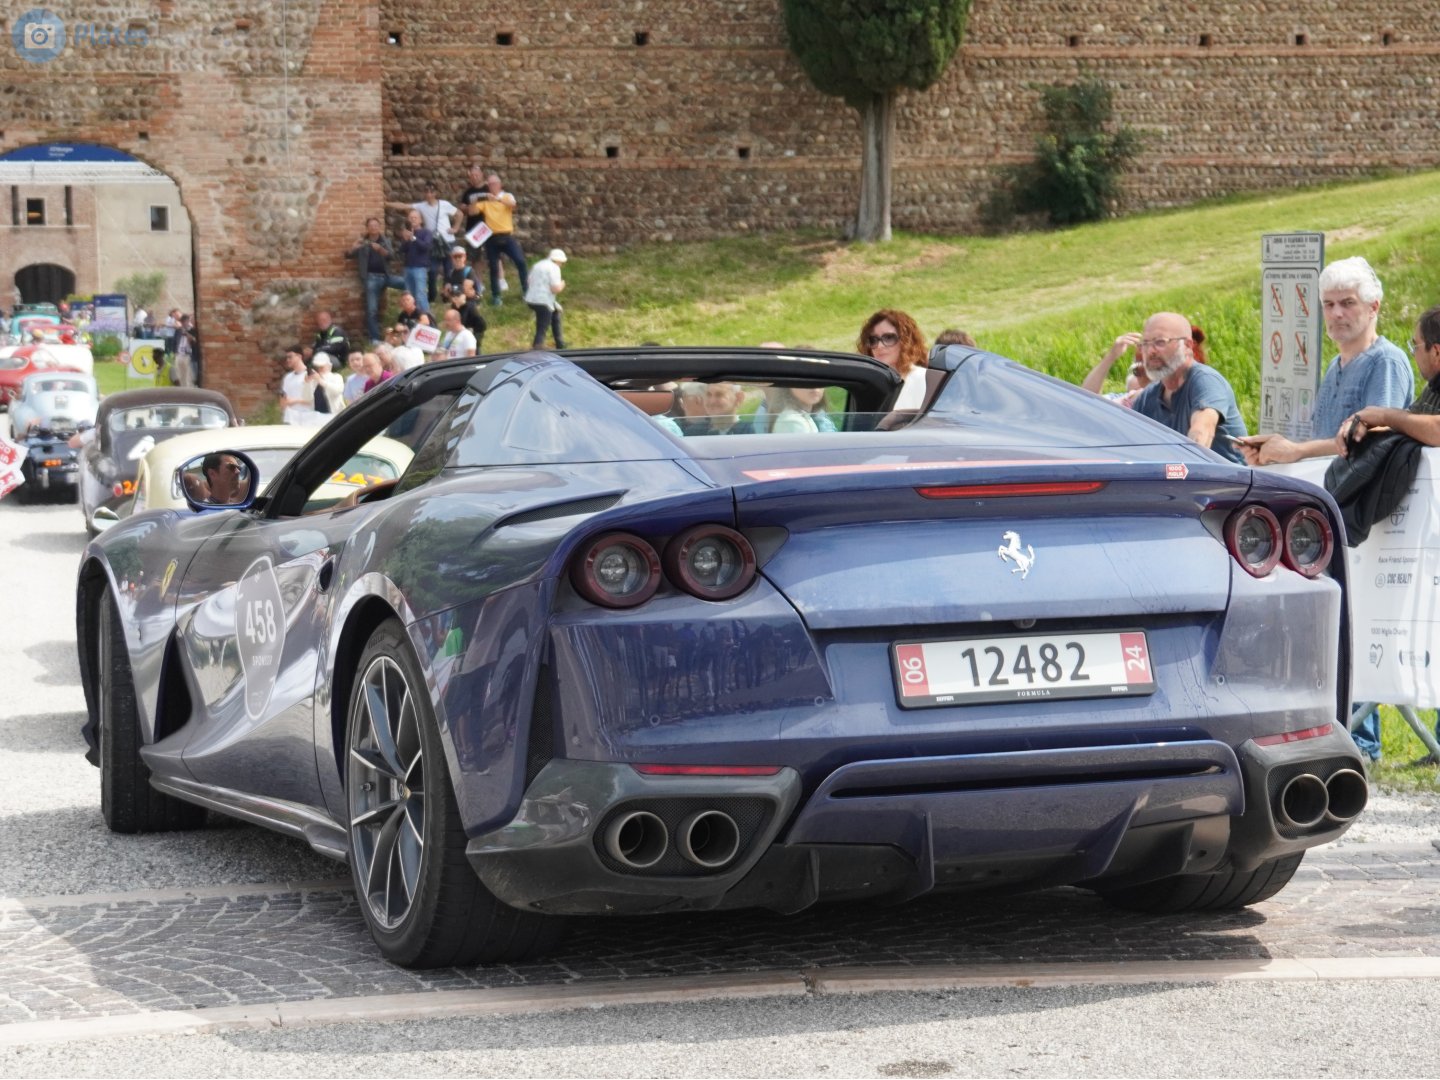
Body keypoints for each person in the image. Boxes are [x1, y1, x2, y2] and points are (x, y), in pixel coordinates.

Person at [1237, 256, 1414, 466]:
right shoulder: (1334, 365)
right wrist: (1274, 452)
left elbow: (1376, 442)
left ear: (1373, 308)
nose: (1336, 313)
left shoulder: (1385, 361)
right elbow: (1325, 441)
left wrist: (1296, 451)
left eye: (1347, 303)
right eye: (1328, 304)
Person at [1128, 312, 1248, 463]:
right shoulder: (1147, 398)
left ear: (1187, 345)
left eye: (1160, 342)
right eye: (1145, 343)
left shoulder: (1205, 381)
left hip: (1227, 483)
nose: (1150, 351)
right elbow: (1128, 445)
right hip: (1175, 484)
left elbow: (1202, 429)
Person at [387, 181, 460, 303]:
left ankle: (448, 296)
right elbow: (404, 206)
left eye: (431, 191)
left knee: (449, 270)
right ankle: (432, 296)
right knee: (432, 271)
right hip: (433, 242)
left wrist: (456, 228)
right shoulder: (421, 206)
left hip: (448, 241)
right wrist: (386, 203)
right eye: (426, 191)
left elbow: (459, 214)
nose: (429, 194)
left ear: (436, 193)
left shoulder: (444, 204)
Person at [346, 217, 405, 344]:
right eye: (371, 225)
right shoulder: (363, 242)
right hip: (371, 278)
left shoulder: (385, 240)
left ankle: (415, 312)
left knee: (408, 283)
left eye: (376, 225)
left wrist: (380, 250)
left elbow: (391, 256)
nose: (373, 227)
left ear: (379, 226)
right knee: (372, 309)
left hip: (386, 276)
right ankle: (375, 338)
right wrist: (353, 247)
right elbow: (348, 255)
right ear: (367, 228)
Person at [476, 172, 529, 306]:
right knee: (493, 267)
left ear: (500, 185)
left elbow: (512, 204)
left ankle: (527, 291)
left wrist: (497, 199)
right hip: (491, 238)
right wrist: (478, 198)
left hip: (506, 236)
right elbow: (472, 211)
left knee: (520, 261)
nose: (492, 186)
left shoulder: (506, 196)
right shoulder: (485, 200)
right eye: (489, 184)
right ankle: (496, 296)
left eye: (494, 183)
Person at [858, 309, 929, 409]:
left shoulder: (923, 379)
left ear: (907, 341)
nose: (879, 346)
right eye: (873, 340)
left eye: (889, 338)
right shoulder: (869, 383)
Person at [525, 248, 567, 349]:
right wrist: (562, 284)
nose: (562, 265)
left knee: (555, 314)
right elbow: (555, 289)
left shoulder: (538, 264)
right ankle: (537, 346)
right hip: (543, 301)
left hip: (531, 299)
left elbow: (528, 280)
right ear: (558, 261)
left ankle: (560, 343)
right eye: (562, 263)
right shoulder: (554, 268)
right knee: (542, 326)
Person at [396, 210, 434, 314]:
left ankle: (427, 319)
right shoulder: (407, 233)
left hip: (420, 268)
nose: (413, 219)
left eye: (415, 217)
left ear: (421, 220)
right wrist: (406, 240)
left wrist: (414, 238)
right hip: (408, 267)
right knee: (410, 296)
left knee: (420, 294)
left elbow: (426, 247)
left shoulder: (426, 232)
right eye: (411, 217)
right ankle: (413, 318)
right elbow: (402, 250)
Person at [279, 349, 317, 425]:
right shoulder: (288, 377)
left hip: (307, 418)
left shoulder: (311, 374)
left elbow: (315, 399)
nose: (288, 360)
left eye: (290, 357)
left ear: (299, 356)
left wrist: (295, 401)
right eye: (287, 358)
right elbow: (283, 397)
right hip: (290, 418)